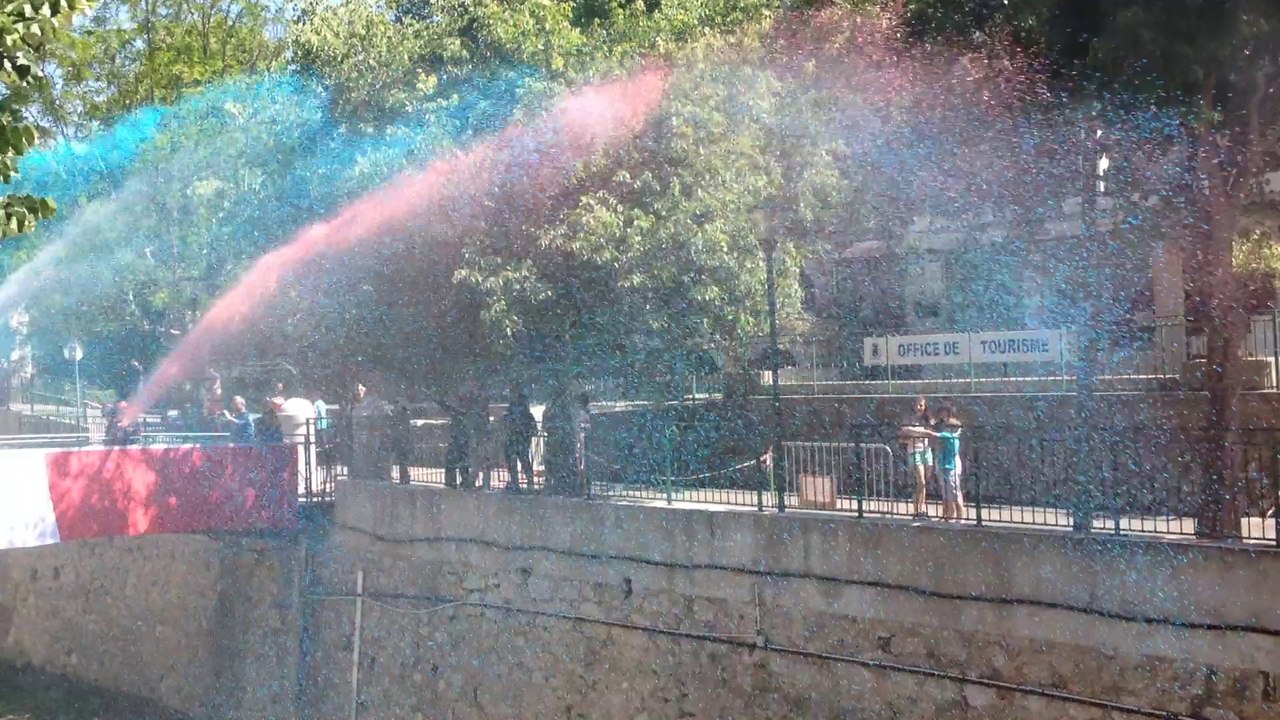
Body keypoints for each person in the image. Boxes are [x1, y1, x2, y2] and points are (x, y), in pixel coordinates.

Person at [923, 404, 965, 522]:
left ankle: (959, 516)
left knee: (954, 491)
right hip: (942, 463)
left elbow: (933, 434)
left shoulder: (951, 436)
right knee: (946, 491)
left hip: (951, 465)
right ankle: (948, 515)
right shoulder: (944, 431)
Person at [900, 396, 934, 520]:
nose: (919, 408)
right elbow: (904, 433)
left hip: (926, 451)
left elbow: (932, 432)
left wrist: (916, 433)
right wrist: (921, 433)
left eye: (921, 405)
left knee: (924, 482)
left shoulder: (927, 419)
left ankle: (921, 508)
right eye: (917, 405)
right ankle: (917, 509)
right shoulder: (908, 419)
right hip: (915, 451)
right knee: (921, 481)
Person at [503, 389, 537, 492]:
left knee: (523, 462)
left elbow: (533, 428)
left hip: (520, 441)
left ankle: (526, 483)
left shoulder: (526, 415)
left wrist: (525, 433)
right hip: (515, 441)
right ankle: (517, 483)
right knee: (517, 463)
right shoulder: (513, 413)